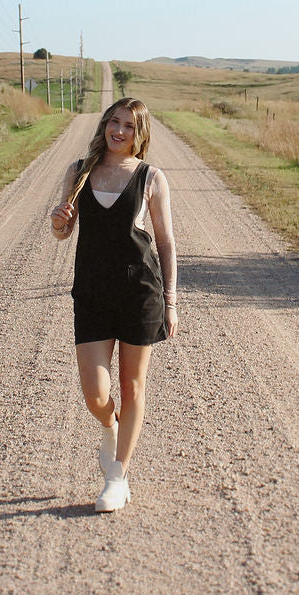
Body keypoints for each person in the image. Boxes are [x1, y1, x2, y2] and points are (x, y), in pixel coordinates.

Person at [50, 97, 177, 512]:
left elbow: (166, 242)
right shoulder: (80, 172)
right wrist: (58, 220)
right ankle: (111, 428)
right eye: (115, 122)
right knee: (95, 392)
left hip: (140, 292)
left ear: (140, 136)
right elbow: (62, 233)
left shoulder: (151, 178)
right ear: (105, 124)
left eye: (129, 126)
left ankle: (118, 476)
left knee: (133, 386)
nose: (119, 131)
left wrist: (171, 301)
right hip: (91, 293)